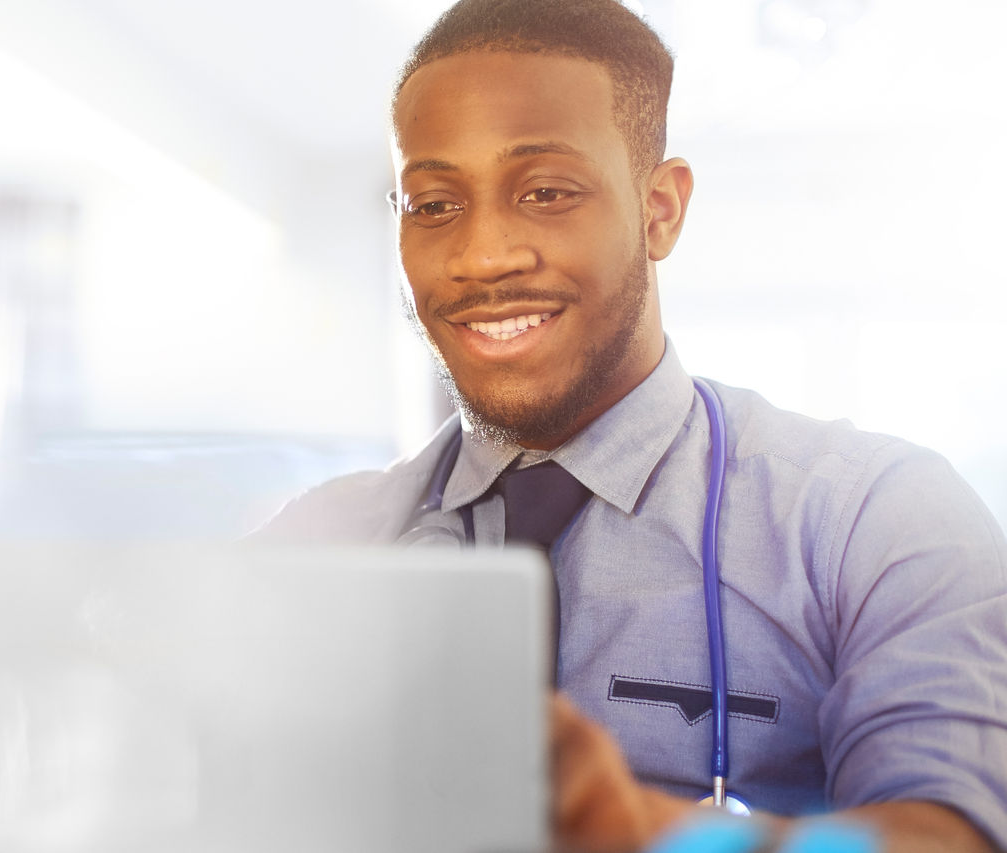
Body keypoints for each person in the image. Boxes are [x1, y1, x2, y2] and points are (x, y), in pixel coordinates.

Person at [253, 0, 1007, 850]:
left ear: (660, 209)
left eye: (546, 192)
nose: (482, 255)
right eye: (432, 204)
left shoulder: (871, 519)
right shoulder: (313, 546)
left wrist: (652, 832)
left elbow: (950, 839)